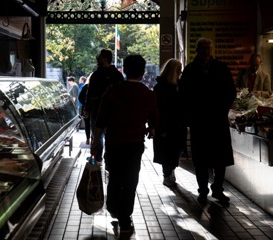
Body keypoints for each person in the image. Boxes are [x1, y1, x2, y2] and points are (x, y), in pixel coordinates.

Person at [91, 54, 159, 235]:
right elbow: (154, 120)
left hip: (114, 143)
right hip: (134, 145)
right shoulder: (148, 94)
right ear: (143, 72)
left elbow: (101, 120)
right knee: (130, 181)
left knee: (114, 176)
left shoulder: (112, 91)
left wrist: (95, 141)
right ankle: (125, 219)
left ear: (124, 70)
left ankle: (113, 207)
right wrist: (150, 129)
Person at [178, 37, 236, 204]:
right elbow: (183, 96)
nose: (204, 51)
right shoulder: (190, 70)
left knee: (220, 159)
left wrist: (223, 109)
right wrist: (189, 115)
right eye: (202, 48)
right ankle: (203, 190)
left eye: (207, 48)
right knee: (201, 160)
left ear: (211, 50)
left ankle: (217, 189)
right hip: (200, 121)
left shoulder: (220, 68)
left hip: (216, 120)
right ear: (197, 50)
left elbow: (230, 92)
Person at [85, 48, 124, 162]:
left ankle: (98, 159)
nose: (98, 59)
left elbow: (90, 92)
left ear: (105, 59)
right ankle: (109, 159)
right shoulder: (117, 75)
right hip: (113, 112)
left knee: (97, 136)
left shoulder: (96, 75)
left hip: (97, 110)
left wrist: (87, 108)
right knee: (110, 137)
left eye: (100, 57)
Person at [153, 58, 187, 188]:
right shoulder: (167, 87)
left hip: (173, 125)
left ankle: (169, 173)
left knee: (173, 151)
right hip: (168, 126)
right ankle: (167, 174)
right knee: (169, 151)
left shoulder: (167, 86)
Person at [78, 74, 91, 144]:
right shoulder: (98, 87)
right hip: (96, 109)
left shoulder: (85, 87)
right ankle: (93, 138)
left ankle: (88, 139)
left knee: (87, 124)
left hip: (86, 109)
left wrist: (85, 103)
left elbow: (80, 97)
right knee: (94, 124)